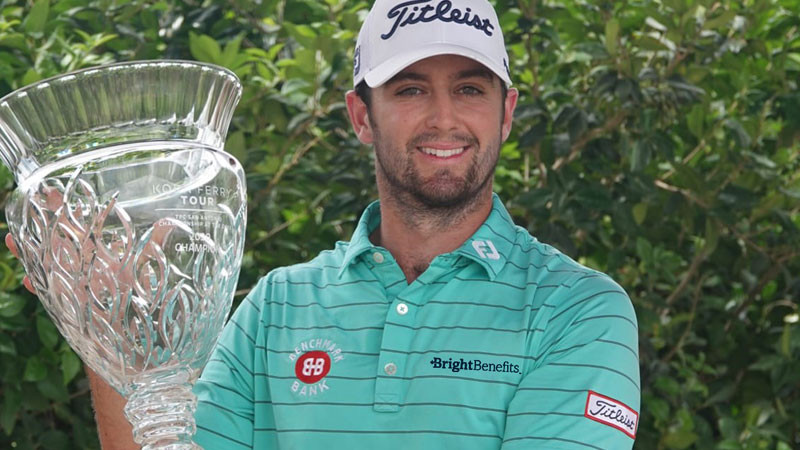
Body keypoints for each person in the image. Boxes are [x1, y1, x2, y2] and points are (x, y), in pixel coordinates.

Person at [6, 0, 640, 448]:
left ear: (506, 115)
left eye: (471, 89)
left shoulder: (577, 310)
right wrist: (119, 337)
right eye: (410, 89)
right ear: (361, 116)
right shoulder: (277, 307)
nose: (444, 118)